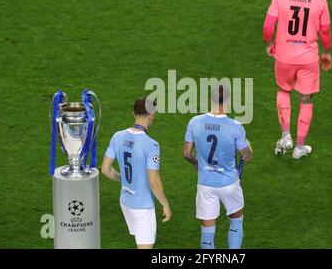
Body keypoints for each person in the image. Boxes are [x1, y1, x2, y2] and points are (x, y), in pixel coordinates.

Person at [262, 0, 332, 159]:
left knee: (283, 91)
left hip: (284, 56)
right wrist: (326, 51)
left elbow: (268, 27)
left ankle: (286, 136)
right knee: (306, 99)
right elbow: (325, 31)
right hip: (308, 59)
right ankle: (299, 148)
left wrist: (269, 44)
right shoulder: (320, 0)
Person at [183, 86, 253, 249]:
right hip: (230, 184)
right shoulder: (235, 126)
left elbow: (186, 153)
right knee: (236, 222)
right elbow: (247, 156)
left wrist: (196, 163)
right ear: (227, 102)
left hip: (205, 185)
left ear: (210, 100)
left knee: (207, 235)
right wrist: (249, 146)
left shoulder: (194, 122)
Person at [101, 97, 171, 248]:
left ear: (134, 113)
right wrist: (165, 204)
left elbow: (105, 169)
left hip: (125, 202)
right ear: (152, 115)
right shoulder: (152, 145)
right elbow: (154, 182)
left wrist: (122, 178)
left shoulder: (117, 136)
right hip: (142, 208)